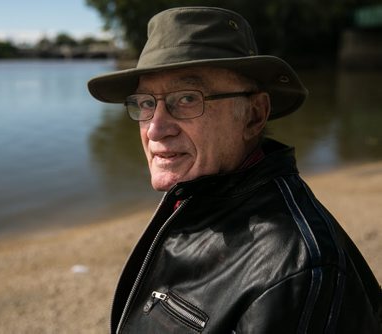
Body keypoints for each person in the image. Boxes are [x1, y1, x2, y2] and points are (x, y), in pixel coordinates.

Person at [88, 6, 382, 334]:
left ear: (254, 115)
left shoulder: (298, 271)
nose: (155, 129)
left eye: (186, 98)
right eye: (145, 103)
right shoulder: (196, 197)